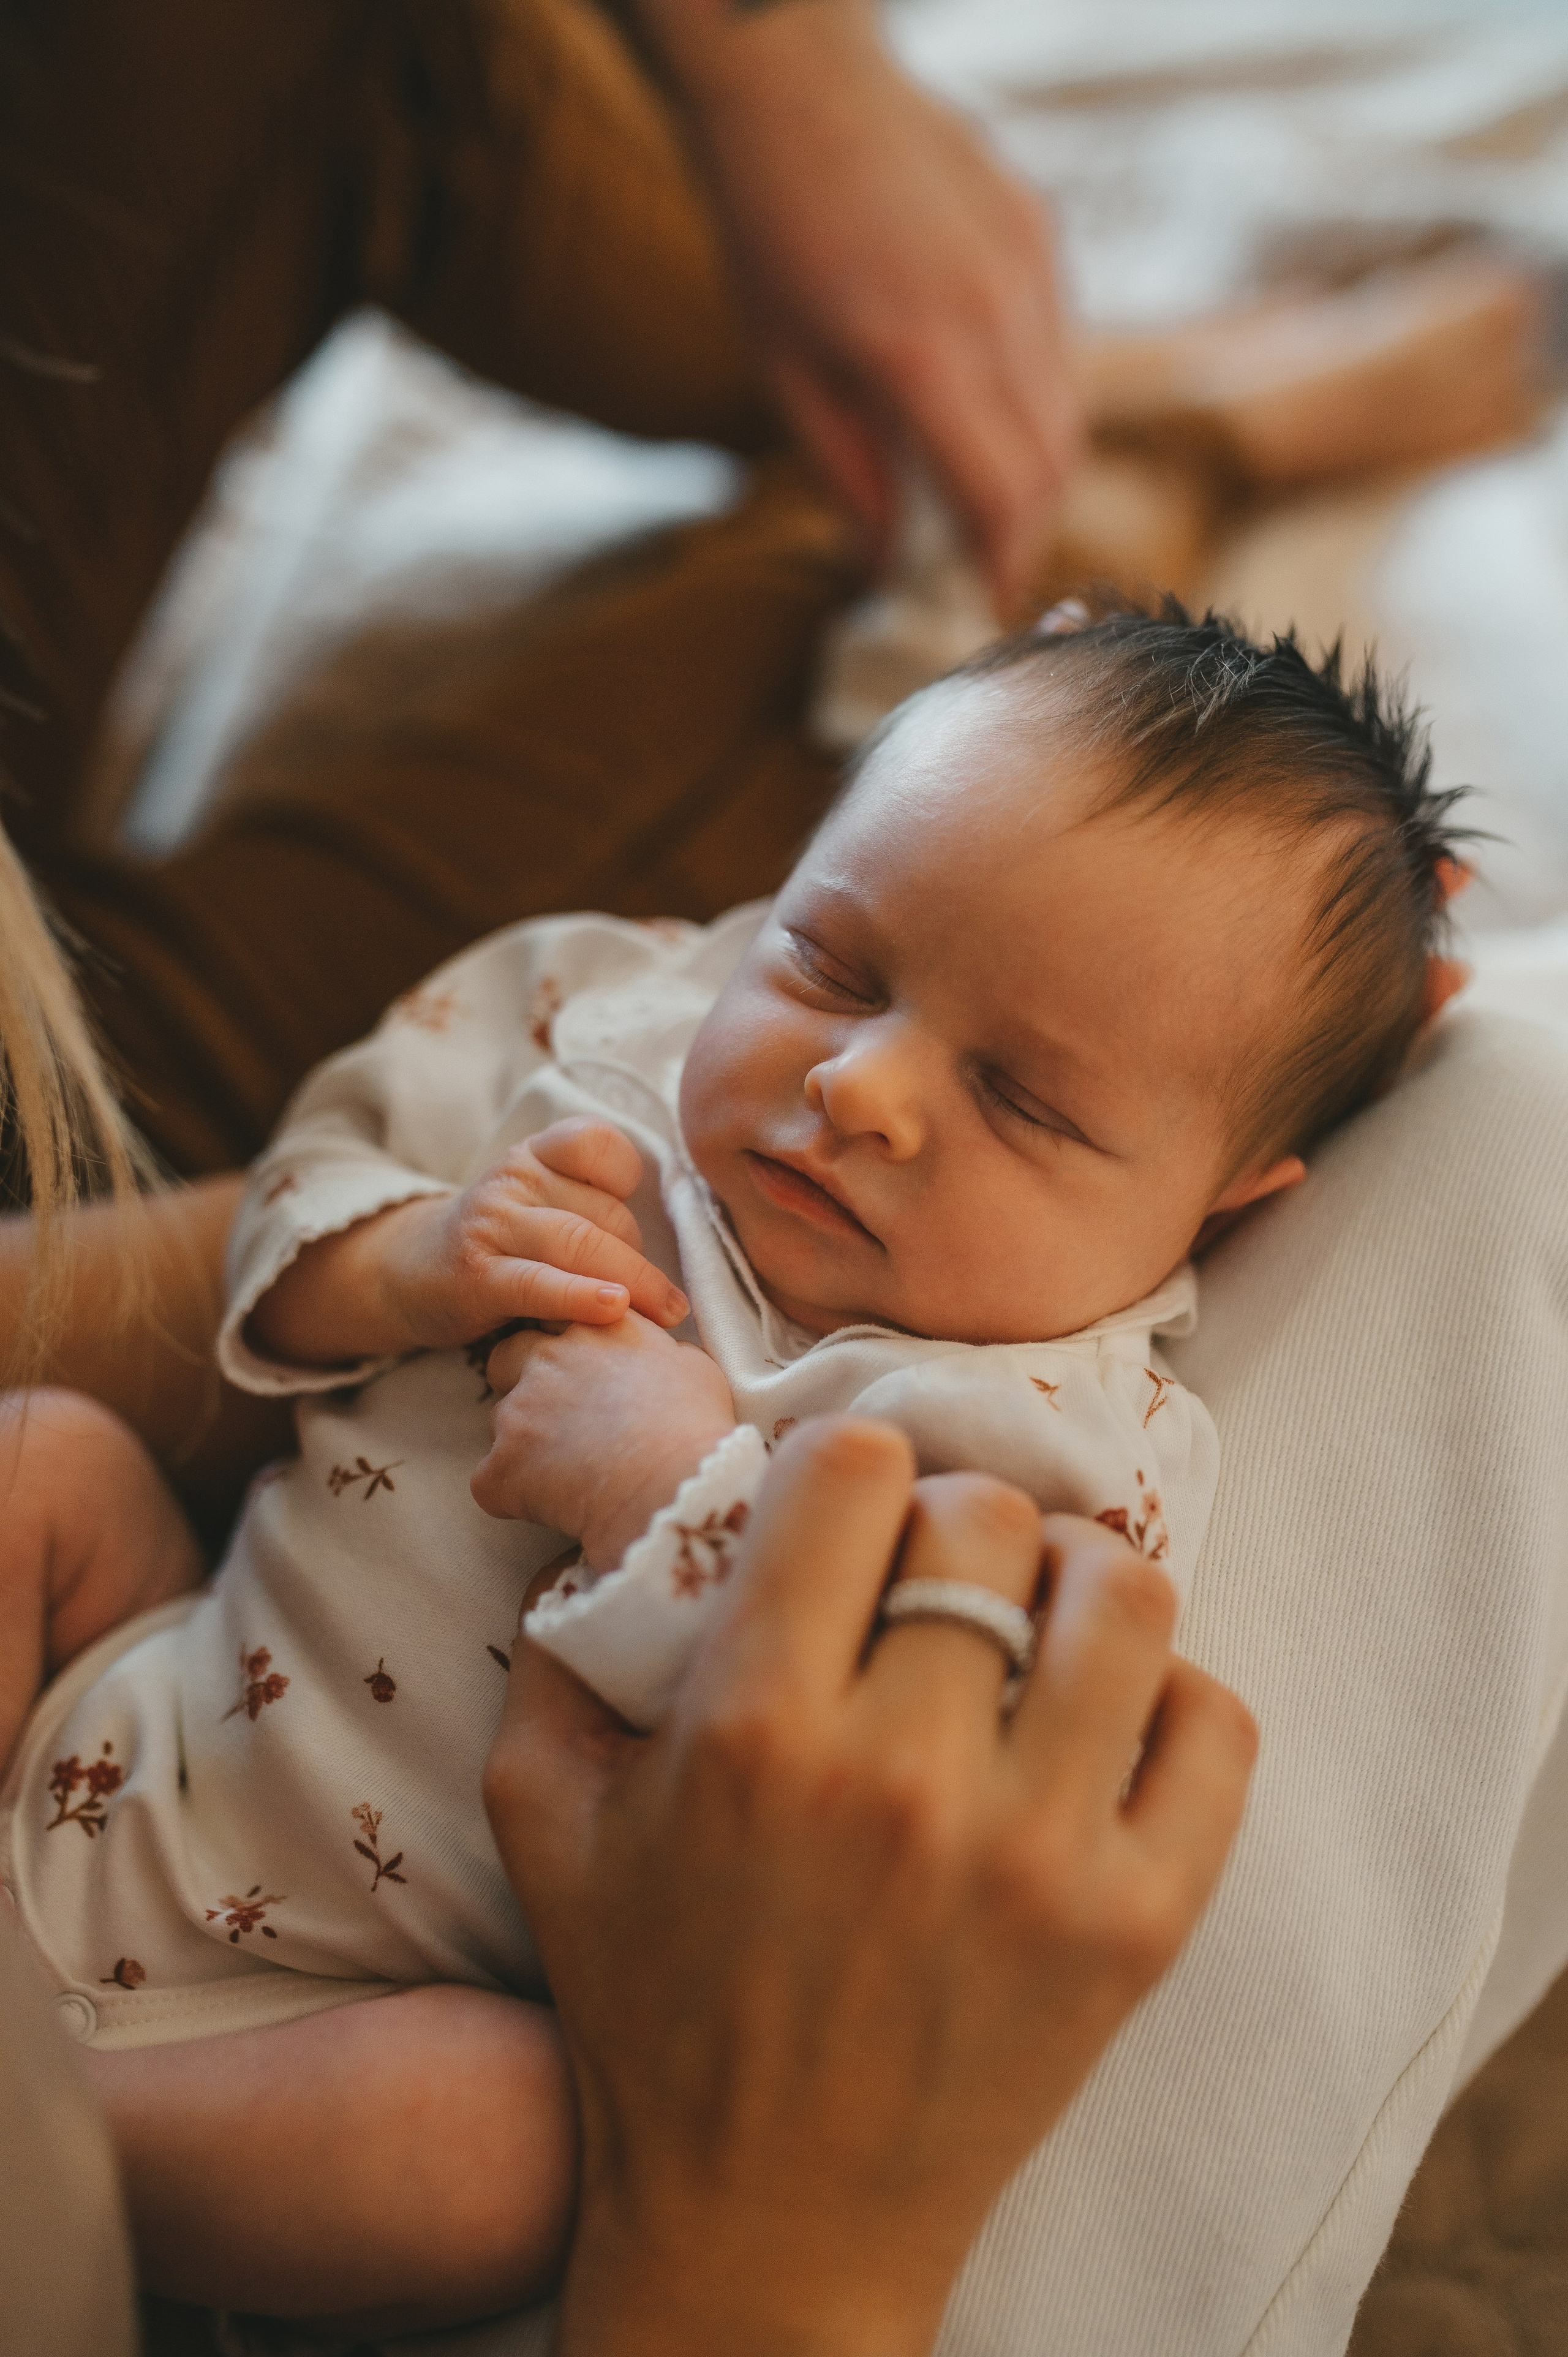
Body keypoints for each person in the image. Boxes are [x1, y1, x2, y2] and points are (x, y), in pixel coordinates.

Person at [1, 602, 1457, 2326]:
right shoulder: (611, 1022)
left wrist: (664, 1484)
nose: (860, 1085)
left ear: (1226, 1197)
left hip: (312, 2017)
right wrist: (406, 1258)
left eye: (1024, 1101)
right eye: (830, 963)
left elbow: (905, 1757)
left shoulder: (1057, 1430)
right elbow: (318, 1162)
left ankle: (58, 2143)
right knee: (45, 1463)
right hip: (132, 1707)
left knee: (506, 2153)